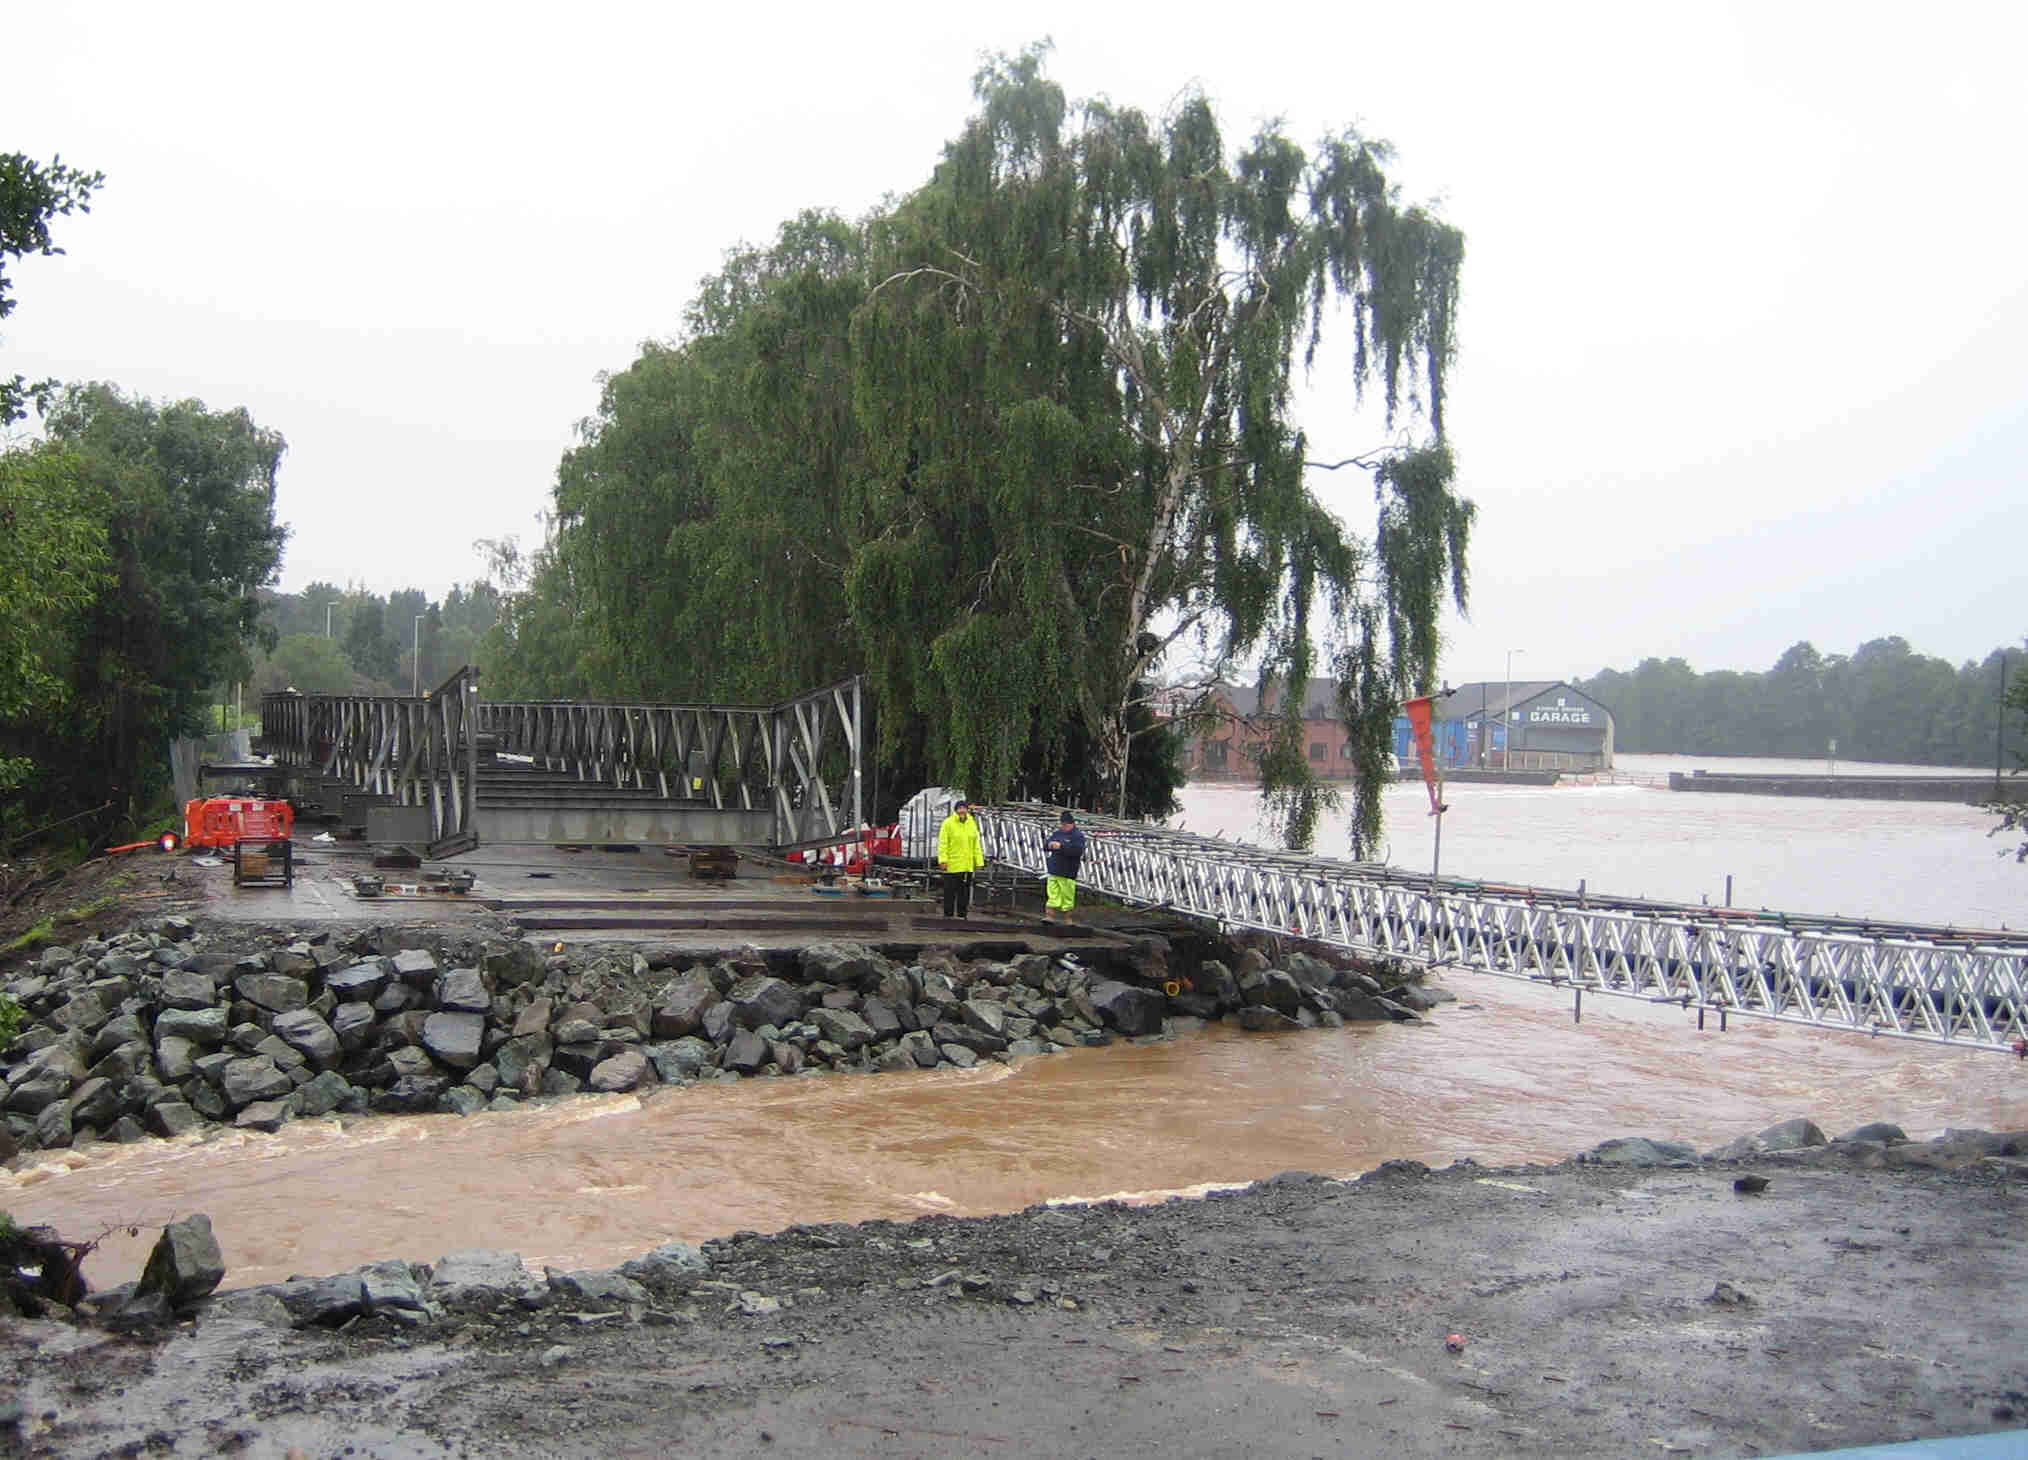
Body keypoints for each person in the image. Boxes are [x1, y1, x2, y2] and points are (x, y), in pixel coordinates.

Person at [936, 797, 985, 919]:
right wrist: (942, 860)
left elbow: (976, 844)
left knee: (964, 893)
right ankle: (948, 916)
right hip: (952, 866)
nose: (962, 811)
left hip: (966, 866)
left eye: (964, 808)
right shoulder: (948, 823)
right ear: (956, 810)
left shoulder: (972, 823)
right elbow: (943, 843)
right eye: (960, 808)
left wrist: (979, 861)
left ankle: (962, 916)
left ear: (967, 810)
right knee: (949, 893)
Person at [1042, 810, 1086, 923]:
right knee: (1052, 895)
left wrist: (1062, 846)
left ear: (1072, 824)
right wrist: (1050, 845)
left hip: (1068, 872)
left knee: (1067, 898)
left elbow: (1077, 851)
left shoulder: (1078, 836)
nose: (1063, 827)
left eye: (1065, 825)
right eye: (1062, 825)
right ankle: (1049, 917)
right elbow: (1046, 845)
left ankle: (1068, 919)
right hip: (1054, 869)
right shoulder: (1057, 833)